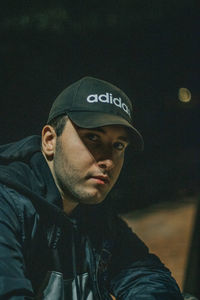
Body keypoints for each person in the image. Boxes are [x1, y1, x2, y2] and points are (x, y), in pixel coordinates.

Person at [0, 76, 183, 299]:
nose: (108, 160)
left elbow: (146, 275)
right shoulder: (8, 207)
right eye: (93, 137)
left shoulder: (94, 215)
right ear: (50, 140)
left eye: (118, 145)